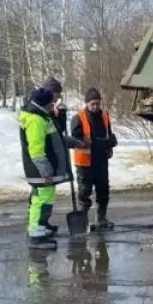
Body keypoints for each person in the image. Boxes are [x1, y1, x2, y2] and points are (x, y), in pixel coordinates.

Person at [20, 86, 86, 250]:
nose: (53, 106)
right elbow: (36, 150)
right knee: (41, 200)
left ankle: (41, 227)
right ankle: (36, 234)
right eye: (50, 103)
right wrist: (46, 171)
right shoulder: (36, 120)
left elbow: (56, 139)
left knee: (46, 198)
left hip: (44, 170)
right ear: (43, 104)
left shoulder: (42, 117)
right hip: (40, 171)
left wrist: (74, 142)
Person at [70, 87, 119, 231]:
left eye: (98, 103)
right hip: (84, 162)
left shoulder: (105, 116)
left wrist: (110, 143)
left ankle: (101, 219)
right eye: (93, 104)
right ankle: (82, 221)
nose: (95, 106)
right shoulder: (78, 117)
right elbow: (74, 138)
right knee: (84, 192)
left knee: (103, 191)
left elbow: (108, 133)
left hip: (101, 160)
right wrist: (84, 140)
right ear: (87, 103)